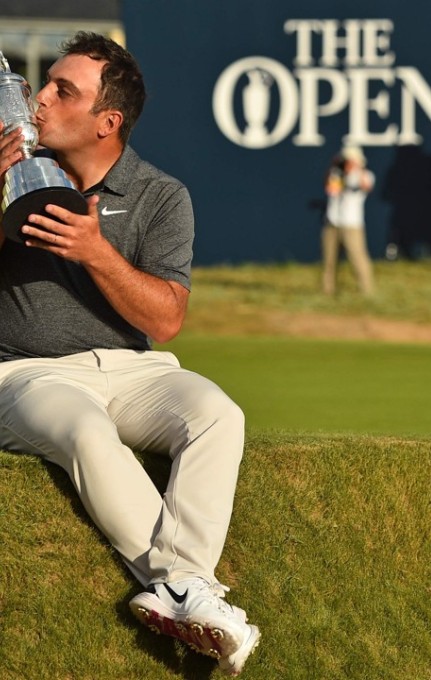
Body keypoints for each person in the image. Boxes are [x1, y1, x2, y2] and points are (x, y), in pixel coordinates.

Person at [0, 33, 260, 673]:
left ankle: (179, 587)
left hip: (134, 369)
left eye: (66, 92)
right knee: (86, 431)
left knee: (217, 412)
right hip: (23, 375)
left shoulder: (160, 194)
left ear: (106, 122)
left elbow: (166, 320)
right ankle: (188, 587)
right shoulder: (7, 172)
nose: (41, 102)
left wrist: (95, 251)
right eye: (45, 85)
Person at [322, 144, 376, 296]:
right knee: (329, 260)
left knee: (358, 258)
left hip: (352, 224)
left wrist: (356, 170)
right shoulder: (335, 173)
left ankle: (367, 291)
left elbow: (367, 186)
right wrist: (337, 169)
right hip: (332, 222)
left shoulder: (365, 175)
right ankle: (327, 291)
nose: (348, 163)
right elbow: (331, 189)